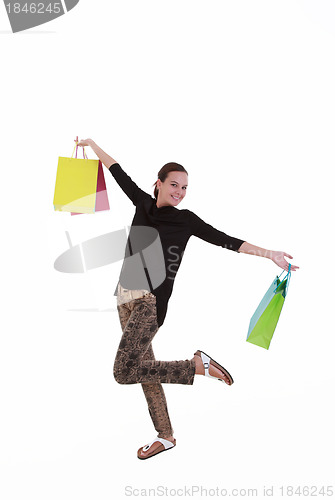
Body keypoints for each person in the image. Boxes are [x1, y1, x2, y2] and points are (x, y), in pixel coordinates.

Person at [77, 138, 299, 460]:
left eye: (184, 188)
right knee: (143, 369)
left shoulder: (187, 220)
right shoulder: (142, 203)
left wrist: (270, 254)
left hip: (149, 304)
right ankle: (165, 437)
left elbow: (227, 241)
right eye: (174, 185)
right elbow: (116, 171)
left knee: (124, 371)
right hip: (123, 298)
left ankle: (196, 367)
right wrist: (92, 145)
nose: (179, 192)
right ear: (159, 183)